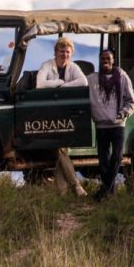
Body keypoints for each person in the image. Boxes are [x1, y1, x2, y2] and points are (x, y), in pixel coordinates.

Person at [34, 37, 89, 197]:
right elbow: (40, 83)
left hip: (67, 114)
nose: (64, 54)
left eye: (67, 51)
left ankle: (63, 191)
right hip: (51, 113)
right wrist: (58, 82)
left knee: (60, 148)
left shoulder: (73, 67)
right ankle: (76, 185)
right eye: (61, 51)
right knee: (60, 147)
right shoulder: (47, 65)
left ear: (71, 53)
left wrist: (64, 86)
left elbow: (83, 81)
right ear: (55, 52)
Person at [89, 48, 134, 200]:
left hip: (118, 125)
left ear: (113, 60)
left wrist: (122, 114)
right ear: (99, 60)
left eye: (108, 58)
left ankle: (103, 191)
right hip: (101, 125)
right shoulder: (92, 79)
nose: (105, 61)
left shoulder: (122, 77)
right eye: (102, 58)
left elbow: (131, 101)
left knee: (117, 156)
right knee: (103, 160)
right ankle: (110, 193)